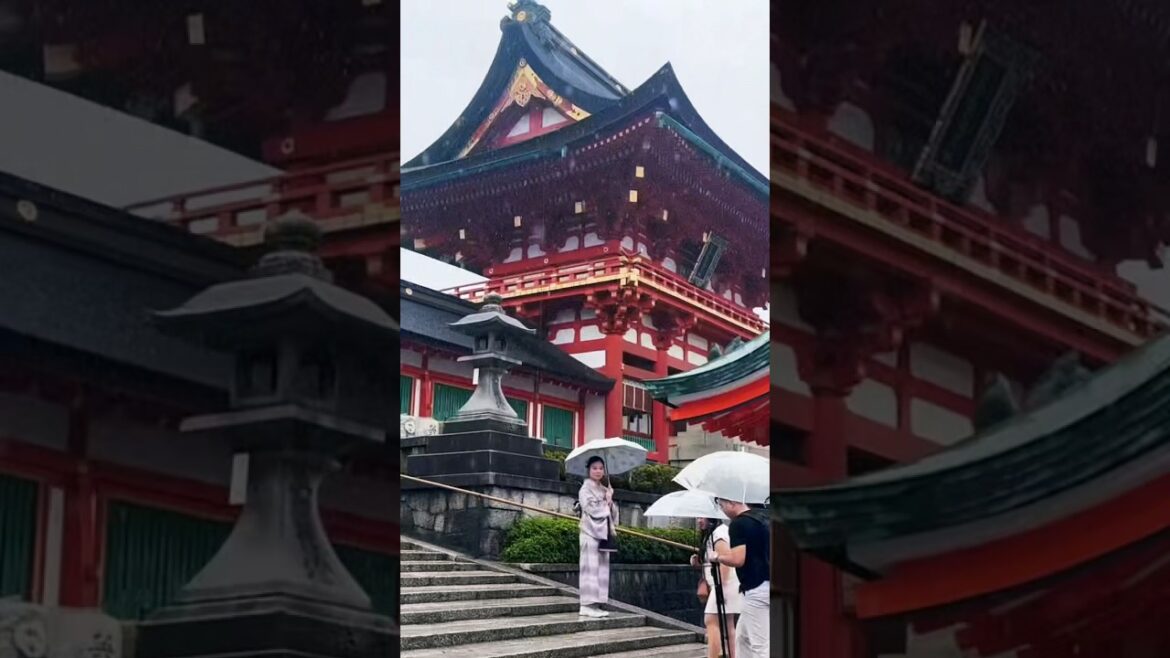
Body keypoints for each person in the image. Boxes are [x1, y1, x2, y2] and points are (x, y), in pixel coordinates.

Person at [712, 498, 769, 657]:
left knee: (760, 646)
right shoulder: (768, 517)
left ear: (732, 502)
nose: (722, 510)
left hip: (756, 588)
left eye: (722, 505)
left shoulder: (739, 524)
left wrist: (718, 557)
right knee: (742, 638)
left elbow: (738, 560)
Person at [690, 517, 741, 658]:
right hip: (724, 584)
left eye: (702, 517)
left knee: (711, 620)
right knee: (727, 624)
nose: (699, 521)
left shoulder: (718, 534)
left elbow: (724, 560)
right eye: (697, 517)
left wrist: (720, 588)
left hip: (724, 584)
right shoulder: (715, 532)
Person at [578, 456, 616, 617]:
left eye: (601, 468)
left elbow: (612, 514)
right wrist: (605, 504)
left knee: (601, 569)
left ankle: (596, 603)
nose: (598, 471)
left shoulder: (604, 489)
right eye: (594, 468)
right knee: (590, 568)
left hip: (603, 534)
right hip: (590, 531)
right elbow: (590, 509)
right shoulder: (585, 489)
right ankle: (586, 604)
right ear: (589, 470)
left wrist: (610, 501)